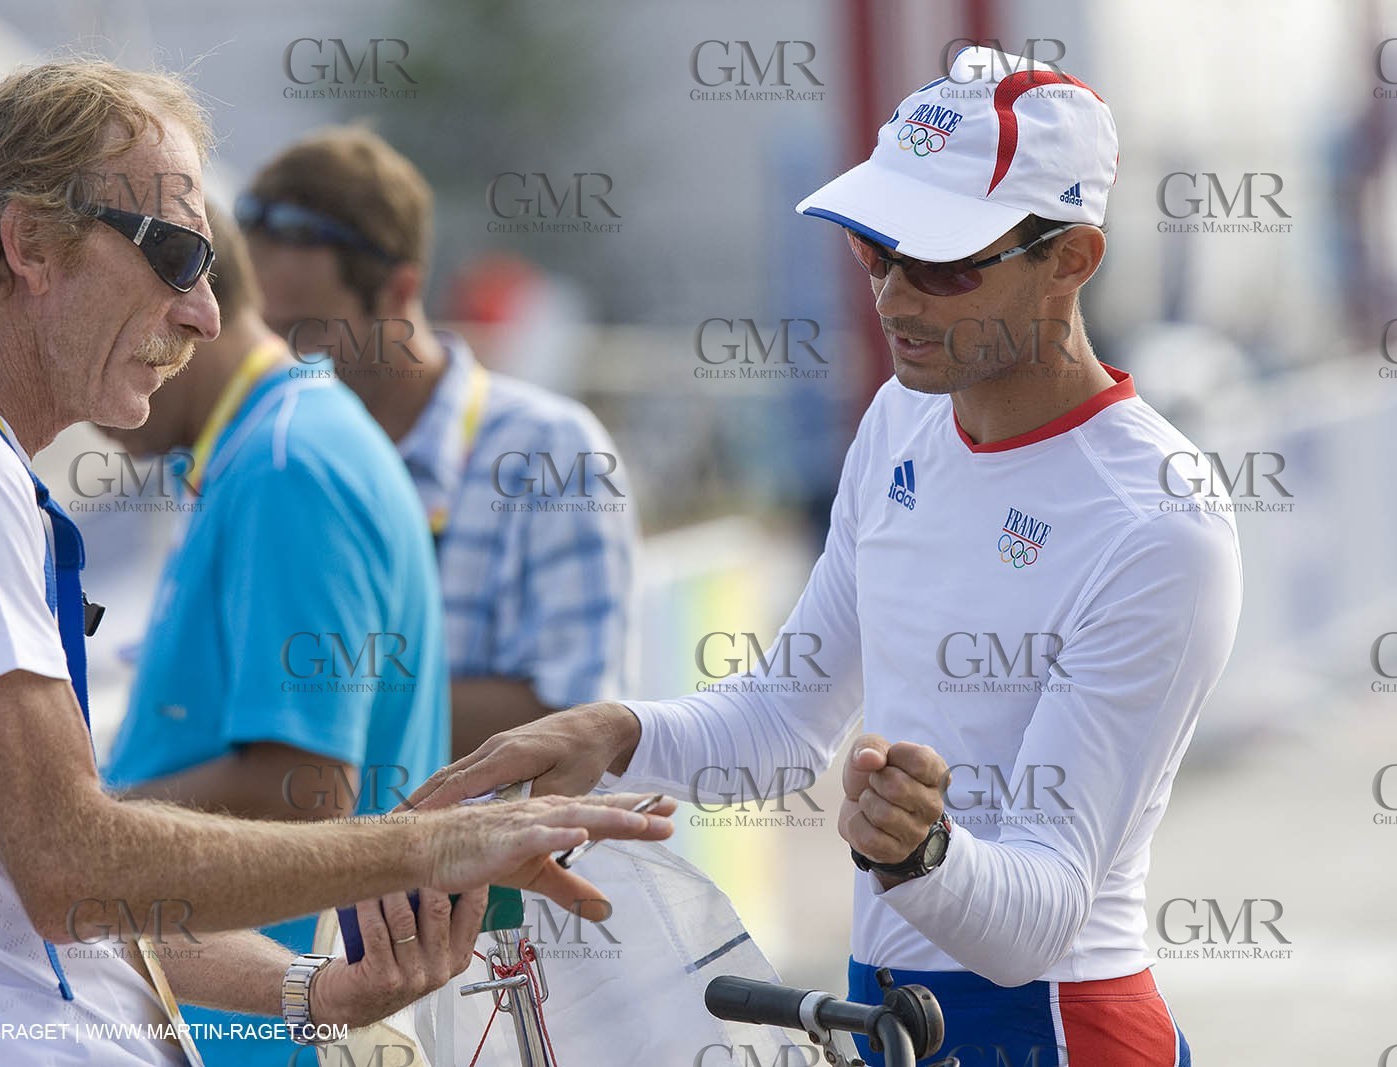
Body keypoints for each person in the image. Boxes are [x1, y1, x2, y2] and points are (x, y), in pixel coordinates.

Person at [0, 60, 672, 1067]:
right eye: (175, 255)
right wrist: (430, 844)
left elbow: (37, 885)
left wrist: (313, 986)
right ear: (30, 244)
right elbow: (72, 866)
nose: (206, 313)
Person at [412, 47, 1240, 1067]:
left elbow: (1036, 925)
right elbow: (782, 720)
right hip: (885, 1019)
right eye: (871, 250)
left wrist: (919, 849)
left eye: (940, 263)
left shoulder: (1158, 516)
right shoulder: (899, 418)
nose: (893, 298)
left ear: (1070, 260)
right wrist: (613, 731)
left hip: (1055, 1026)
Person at [95, 203, 450, 1067]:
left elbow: (304, 784)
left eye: (87, 320)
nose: (78, 385)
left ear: (186, 298)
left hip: (270, 1023)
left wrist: (75, 830)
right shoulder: (268, 445)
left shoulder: (288, 466)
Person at [237, 127, 639, 759]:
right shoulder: (265, 450)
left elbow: (577, 719)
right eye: (263, 334)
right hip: (322, 855)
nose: (279, 360)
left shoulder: (553, 453)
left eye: (303, 331)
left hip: (501, 858)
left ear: (400, 291)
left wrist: (299, 706)